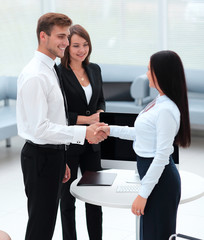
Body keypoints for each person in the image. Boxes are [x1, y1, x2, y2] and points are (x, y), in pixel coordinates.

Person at [16, 13, 107, 240]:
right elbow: (40, 128)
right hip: (40, 155)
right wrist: (82, 132)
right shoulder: (36, 75)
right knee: (40, 227)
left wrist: (62, 156)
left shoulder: (50, 68)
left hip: (53, 154)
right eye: (61, 37)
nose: (66, 43)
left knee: (46, 225)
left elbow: (54, 117)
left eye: (67, 37)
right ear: (43, 36)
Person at [95, 50, 191, 240]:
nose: (146, 73)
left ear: (160, 73)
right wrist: (110, 130)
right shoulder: (158, 101)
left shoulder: (166, 109)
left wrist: (143, 194)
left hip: (161, 180)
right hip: (151, 173)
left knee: (157, 235)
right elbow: (141, 134)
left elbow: (161, 156)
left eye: (149, 69)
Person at [59, 24, 105, 240]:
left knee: (94, 198)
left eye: (85, 44)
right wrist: (88, 120)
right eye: (76, 45)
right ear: (67, 46)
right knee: (67, 200)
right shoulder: (58, 73)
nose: (81, 50)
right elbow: (59, 113)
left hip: (93, 144)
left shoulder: (94, 69)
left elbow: (101, 100)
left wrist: (100, 113)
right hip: (68, 143)